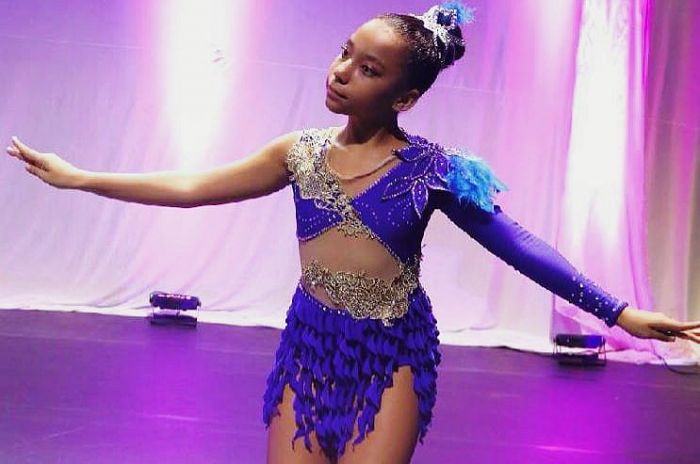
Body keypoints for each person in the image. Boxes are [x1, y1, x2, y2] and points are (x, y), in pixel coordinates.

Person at [6, 2, 700, 463]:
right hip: (309, 344)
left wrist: (619, 313)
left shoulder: (434, 170)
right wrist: (83, 178)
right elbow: (192, 188)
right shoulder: (298, 153)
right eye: (345, 53)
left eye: (368, 70)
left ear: (405, 96)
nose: (341, 73)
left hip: (391, 353)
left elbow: (517, 245)